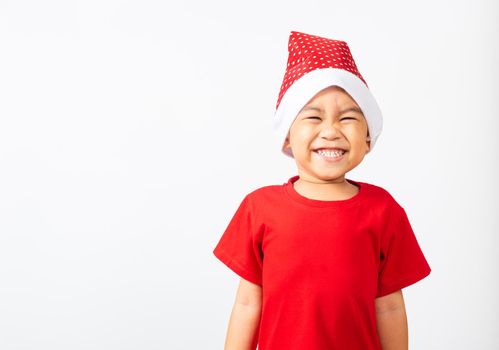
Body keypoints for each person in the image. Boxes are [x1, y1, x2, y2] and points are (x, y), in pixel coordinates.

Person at [212, 30, 431, 350]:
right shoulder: (258, 207)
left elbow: (390, 306)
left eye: (348, 118)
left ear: (368, 138)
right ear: (287, 136)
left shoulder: (383, 210)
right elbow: (247, 304)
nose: (330, 131)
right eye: (313, 117)